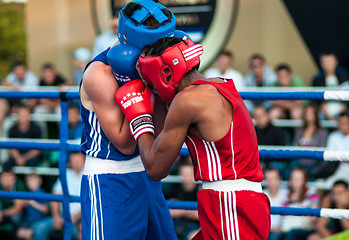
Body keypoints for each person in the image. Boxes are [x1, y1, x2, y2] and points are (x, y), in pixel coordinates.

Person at [116, 37, 271, 239]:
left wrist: (140, 120)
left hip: (232, 206)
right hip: (231, 201)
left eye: (152, 80)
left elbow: (155, 169)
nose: (152, 86)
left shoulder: (189, 100)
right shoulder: (218, 85)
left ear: (165, 73)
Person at [80, 1, 178, 239]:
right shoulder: (100, 74)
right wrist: (146, 90)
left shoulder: (154, 65)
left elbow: (160, 131)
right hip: (110, 181)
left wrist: (164, 89)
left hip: (146, 173)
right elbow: (125, 145)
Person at [32, 152, 84, 240]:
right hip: (62, 217)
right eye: (73, 160)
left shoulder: (89, 176)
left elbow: (89, 203)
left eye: (78, 160)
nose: (75, 162)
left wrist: (74, 218)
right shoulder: (67, 174)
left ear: (84, 161)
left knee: (80, 233)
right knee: (39, 228)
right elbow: (56, 196)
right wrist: (56, 217)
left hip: (81, 219)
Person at [317, 111, 349, 189]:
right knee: (318, 184)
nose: (343, 125)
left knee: (330, 185)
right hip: (332, 169)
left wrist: (338, 159)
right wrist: (344, 159)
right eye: (341, 123)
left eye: (345, 123)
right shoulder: (333, 136)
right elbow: (329, 157)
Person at [311, 52, 349, 120]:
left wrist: (344, 108)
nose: (327, 65)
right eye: (324, 62)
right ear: (321, 64)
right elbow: (316, 100)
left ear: (336, 62)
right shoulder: (317, 79)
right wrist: (326, 113)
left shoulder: (344, 75)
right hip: (325, 110)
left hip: (344, 108)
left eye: (329, 62)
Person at [281, 167, 319, 240]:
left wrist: (293, 214)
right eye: (293, 178)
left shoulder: (312, 193)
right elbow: (284, 215)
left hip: (306, 229)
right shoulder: (286, 194)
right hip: (288, 228)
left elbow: (313, 216)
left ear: (304, 180)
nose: (295, 181)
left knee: (292, 233)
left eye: (298, 179)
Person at [292, 104, 328, 176]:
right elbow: (294, 146)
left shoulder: (322, 132)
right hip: (299, 160)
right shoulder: (299, 131)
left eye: (311, 113)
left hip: (313, 162)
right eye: (307, 113)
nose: (309, 115)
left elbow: (321, 148)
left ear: (316, 115)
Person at [169, 162, 200, 240]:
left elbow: (200, 216)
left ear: (194, 174)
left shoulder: (200, 191)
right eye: (183, 173)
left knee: (194, 236)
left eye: (188, 174)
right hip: (177, 225)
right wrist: (189, 211)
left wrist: (180, 210)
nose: (186, 177)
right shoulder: (175, 189)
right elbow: (168, 212)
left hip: (196, 226)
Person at [253, 105, 287, 175]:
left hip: (273, 162)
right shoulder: (251, 132)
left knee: (273, 169)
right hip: (258, 163)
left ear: (267, 115)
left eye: (262, 115)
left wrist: (265, 163)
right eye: (257, 117)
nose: (260, 119)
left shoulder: (277, 131)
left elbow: (281, 152)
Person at [16, 173, 48, 240]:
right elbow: (22, 207)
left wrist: (33, 203)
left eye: (33, 181)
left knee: (28, 234)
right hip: (28, 222)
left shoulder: (41, 193)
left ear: (40, 182)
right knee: (19, 233)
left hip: (38, 222)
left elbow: (45, 209)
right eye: (29, 181)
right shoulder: (27, 192)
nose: (30, 183)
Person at [0, 166, 26, 239]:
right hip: (2, 213)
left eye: (10, 179)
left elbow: (18, 209)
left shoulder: (19, 185)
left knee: (16, 218)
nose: (7, 182)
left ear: (14, 179)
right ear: (0, 179)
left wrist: (3, 213)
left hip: (14, 214)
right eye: (5, 179)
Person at [263, 168, 288, 240]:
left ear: (279, 179)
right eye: (268, 179)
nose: (271, 182)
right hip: (266, 229)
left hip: (281, 230)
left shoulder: (286, 194)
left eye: (273, 178)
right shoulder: (261, 195)